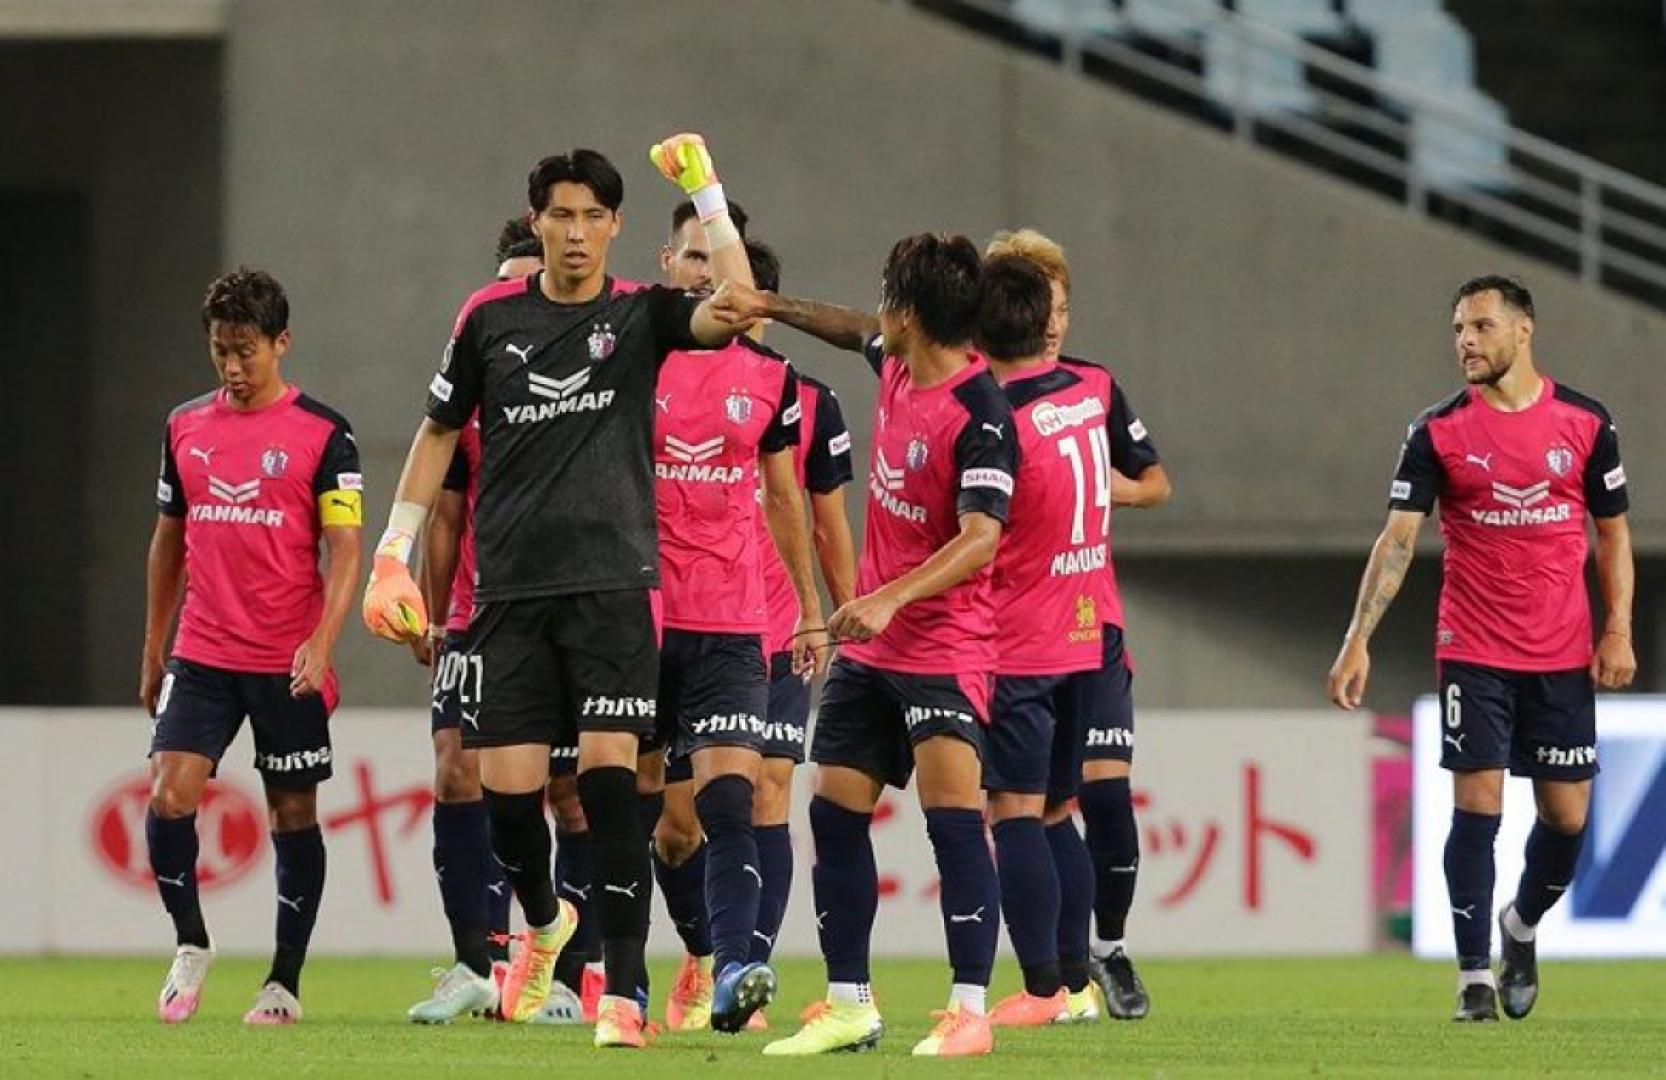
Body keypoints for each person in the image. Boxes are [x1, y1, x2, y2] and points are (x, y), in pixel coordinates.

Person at [363, 138, 756, 1049]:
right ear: (536, 221)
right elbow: (435, 433)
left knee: (615, 790)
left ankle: (623, 993)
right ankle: (544, 922)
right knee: (508, 801)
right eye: (560, 215)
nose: (575, 233)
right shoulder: (488, 317)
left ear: (617, 227)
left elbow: (737, 305)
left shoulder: (643, 314)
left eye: (592, 217)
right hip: (508, 596)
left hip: (615, 589)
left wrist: (706, 194)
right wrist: (393, 550)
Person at [712, 234, 1017, 1058]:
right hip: (874, 652)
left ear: (912, 311)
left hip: (946, 647)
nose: (877, 303)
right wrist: (770, 305)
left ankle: (968, 1011)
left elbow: (983, 535)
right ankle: (850, 1003)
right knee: (834, 815)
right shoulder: (896, 360)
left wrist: (888, 596)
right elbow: (849, 328)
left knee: (953, 823)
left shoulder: (980, 411)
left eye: (888, 291)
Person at [1328, 275, 1634, 1022]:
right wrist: (1356, 638)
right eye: (1459, 328)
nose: (1466, 340)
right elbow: (1398, 538)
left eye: (1482, 327)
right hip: (1474, 647)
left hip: (1560, 653)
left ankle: (1518, 929)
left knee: (1566, 820)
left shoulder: (1586, 423)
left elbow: (1613, 535)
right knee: (1479, 804)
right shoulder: (1436, 431)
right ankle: (1472, 978)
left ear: (1524, 331)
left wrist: (1617, 626)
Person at [142, 268, 363, 1026]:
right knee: (168, 795)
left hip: (283, 659)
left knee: (292, 812)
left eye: (246, 352)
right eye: (220, 352)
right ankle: (191, 944)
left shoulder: (325, 435)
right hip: (202, 652)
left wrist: (322, 642)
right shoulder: (184, 427)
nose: (233, 368)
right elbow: (167, 542)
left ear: (281, 344)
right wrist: (153, 651)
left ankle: (283, 983)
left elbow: (346, 549)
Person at [967, 251, 1168, 1028]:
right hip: (1068, 632)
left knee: (1043, 807)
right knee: (1053, 812)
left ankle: (1065, 977)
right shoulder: (1076, 395)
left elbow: (1155, 481)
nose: (1055, 320)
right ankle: (1081, 975)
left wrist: (1088, 484)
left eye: (1062, 304)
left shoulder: (1029, 404)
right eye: (1042, 304)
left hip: (1042, 634)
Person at [638, 211, 824, 1035]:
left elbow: (789, 499)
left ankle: (740, 964)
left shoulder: (773, 378)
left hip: (732, 619)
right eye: (691, 256)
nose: (702, 271)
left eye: (718, 259)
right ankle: (680, 960)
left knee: (735, 799)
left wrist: (813, 609)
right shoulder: (628, 357)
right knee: (663, 829)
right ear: (665, 262)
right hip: (636, 618)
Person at [404, 219, 543, 1024]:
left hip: (559, 609)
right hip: (473, 616)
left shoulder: (586, 381)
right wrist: (432, 612)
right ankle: (474, 961)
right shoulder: (470, 393)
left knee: (563, 790)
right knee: (456, 769)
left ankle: (562, 963)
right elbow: (448, 515)